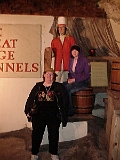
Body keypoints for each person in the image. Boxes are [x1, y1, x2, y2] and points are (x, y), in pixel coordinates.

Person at [24, 68, 68, 160]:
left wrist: (63, 113)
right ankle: (34, 153)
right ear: (44, 75)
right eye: (47, 74)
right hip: (38, 114)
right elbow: (31, 99)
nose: (49, 76)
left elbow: (65, 101)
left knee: (53, 134)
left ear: (54, 77)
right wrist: (27, 111)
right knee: (37, 134)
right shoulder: (38, 86)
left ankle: (54, 153)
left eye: (51, 74)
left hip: (53, 115)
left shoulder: (58, 87)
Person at [63, 45, 91, 116]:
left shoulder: (84, 60)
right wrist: (69, 79)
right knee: (61, 86)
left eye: (76, 50)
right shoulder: (71, 60)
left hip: (83, 82)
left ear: (79, 52)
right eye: (73, 50)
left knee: (68, 89)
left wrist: (75, 79)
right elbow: (70, 73)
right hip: (74, 81)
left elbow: (87, 74)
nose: (74, 52)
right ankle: (62, 108)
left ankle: (70, 111)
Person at [51, 16, 75, 82]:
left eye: (63, 27)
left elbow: (74, 52)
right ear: (57, 29)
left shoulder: (70, 39)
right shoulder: (54, 41)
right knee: (56, 83)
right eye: (60, 28)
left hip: (67, 65)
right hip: (57, 66)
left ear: (65, 29)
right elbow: (52, 54)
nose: (61, 29)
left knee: (66, 83)